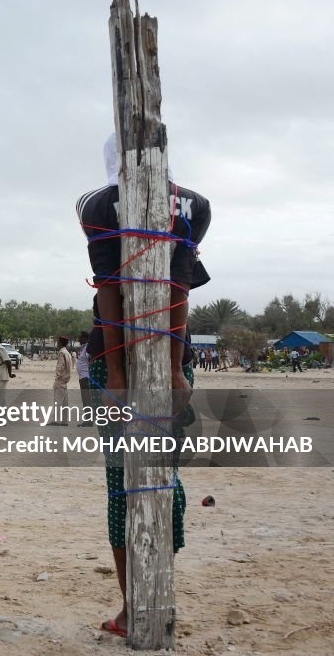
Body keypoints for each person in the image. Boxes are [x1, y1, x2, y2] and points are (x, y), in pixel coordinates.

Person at [77, 132, 211, 639]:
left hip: (125, 363)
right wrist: (174, 367)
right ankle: (148, 600)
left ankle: (143, 601)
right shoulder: (195, 205)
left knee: (130, 485)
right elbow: (177, 287)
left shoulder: (95, 204)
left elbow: (113, 287)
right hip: (164, 361)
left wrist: (117, 374)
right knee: (155, 481)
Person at [50, 335, 74, 425]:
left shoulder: (61, 353)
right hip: (65, 380)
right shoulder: (67, 353)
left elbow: (60, 367)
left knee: (58, 401)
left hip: (60, 380)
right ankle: (64, 421)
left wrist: (57, 376)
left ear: (60, 343)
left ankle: (56, 421)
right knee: (65, 403)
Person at [76, 331, 92, 426]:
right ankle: (88, 419)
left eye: (80, 338)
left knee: (87, 399)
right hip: (83, 377)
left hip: (86, 378)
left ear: (85, 338)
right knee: (85, 399)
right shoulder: (84, 348)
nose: (78, 339)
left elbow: (90, 360)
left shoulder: (87, 348)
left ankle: (88, 420)